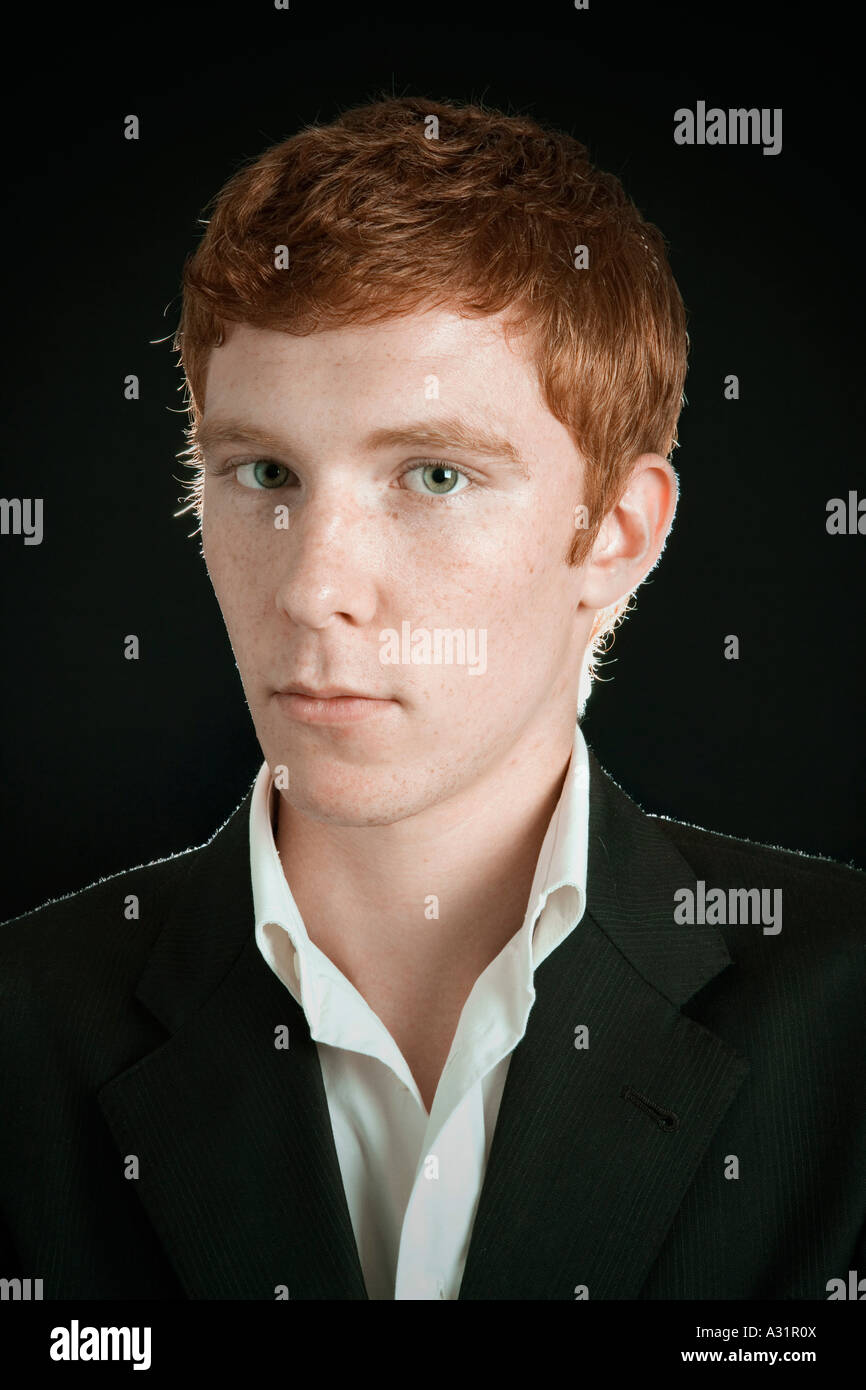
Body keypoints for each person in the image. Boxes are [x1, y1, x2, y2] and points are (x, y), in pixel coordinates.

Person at [1, 95, 863, 1302]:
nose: (312, 588)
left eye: (436, 473)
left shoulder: (845, 1023)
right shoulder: (18, 1032)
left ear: (613, 533)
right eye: (262, 473)